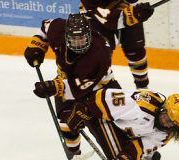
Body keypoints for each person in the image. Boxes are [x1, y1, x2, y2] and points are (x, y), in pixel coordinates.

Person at [24, 13, 121, 158]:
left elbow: (76, 89)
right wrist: (37, 45)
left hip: (99, 88)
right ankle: (75, 155)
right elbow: (45, 26)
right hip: (69, 82)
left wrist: (51, 87)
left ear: (88, 35)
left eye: (81, 39)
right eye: (73, 40)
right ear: (66, 35)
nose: (78, 44)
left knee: (117, 128)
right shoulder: (58, 29)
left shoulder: (98, 56)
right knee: (67, 122)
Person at [65, 88, 179, 160]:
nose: (166, 124)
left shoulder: (167, 133)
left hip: (130, 133)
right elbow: (103, 99)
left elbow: (139, 147)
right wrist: (85, 110)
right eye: (166, 117)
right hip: (104, 118)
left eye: (172, 123)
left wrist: (127, 156)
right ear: (163, 109)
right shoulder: (141, 106)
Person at [79, 0, 155, 89]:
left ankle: (143, 88)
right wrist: (132, 15)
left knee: (136, 50)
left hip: (123, 7)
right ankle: (99, 89)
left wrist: (135, 11)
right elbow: (106, 17)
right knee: (101, 54)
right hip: (94, 13)